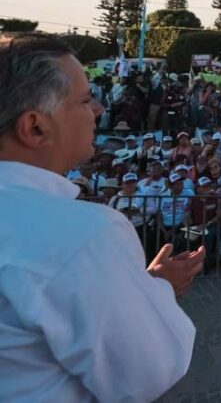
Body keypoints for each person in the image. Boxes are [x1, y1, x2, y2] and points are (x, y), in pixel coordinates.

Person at [0, 34, 203, 401]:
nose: (97, 109)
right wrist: (159, 291)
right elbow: (150, 368)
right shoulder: (84, 237)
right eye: (83, 100)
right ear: (35, 126)